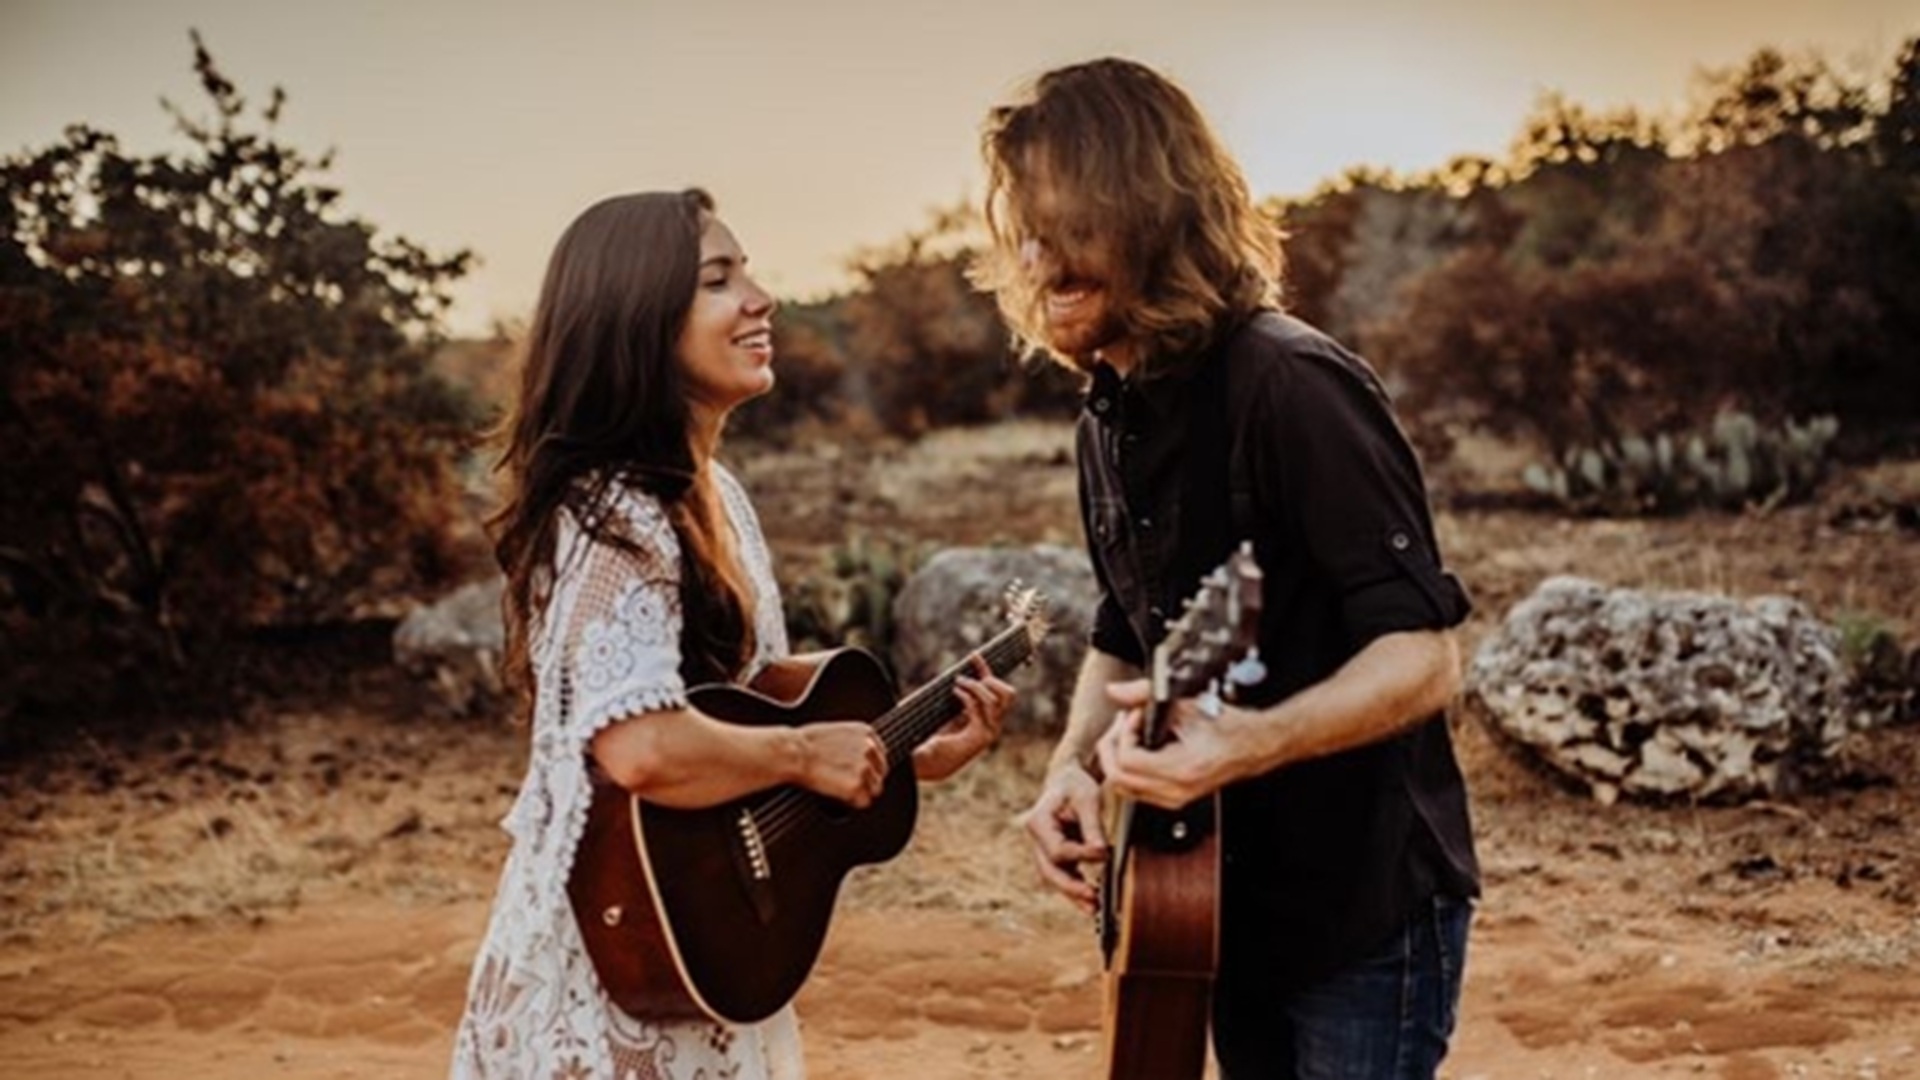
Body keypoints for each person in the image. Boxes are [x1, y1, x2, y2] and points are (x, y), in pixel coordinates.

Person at [977, 60, 1481, 1078]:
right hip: (1209, 901)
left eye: (1070, 225)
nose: (1040, 258)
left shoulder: (1291, 383)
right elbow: (1126, 628)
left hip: (1361, 909)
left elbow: (1424, 657)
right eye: (1025, 229)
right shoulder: (1106, 416)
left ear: (1153, 209)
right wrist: (1071, 767)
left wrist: (1245, 744)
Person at [450, 189, 1015, 1080]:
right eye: (720, 280)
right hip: (610, 974)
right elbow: (640, 747)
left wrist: (896, 757)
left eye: (748, 272)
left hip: (700, 952)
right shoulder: (613, 513)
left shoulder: (717, 496)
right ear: (638, 321)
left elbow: (742, 722)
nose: (762, 299)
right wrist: (802, 754)